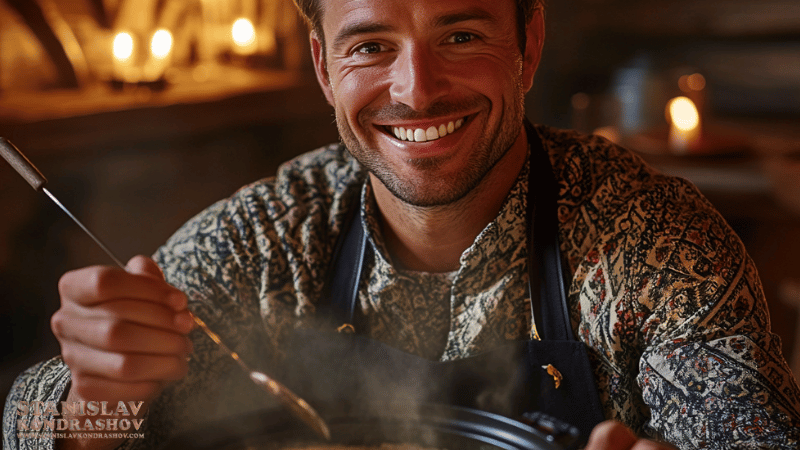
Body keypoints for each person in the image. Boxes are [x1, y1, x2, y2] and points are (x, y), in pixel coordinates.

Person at [4, 0, 800, 448]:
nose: (416, 91)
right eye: (372, 45)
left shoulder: (658, 244)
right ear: (323, 68)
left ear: (528, 44)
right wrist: (90, 406)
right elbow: (26, 423)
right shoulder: (268, 237)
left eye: (459, 36)